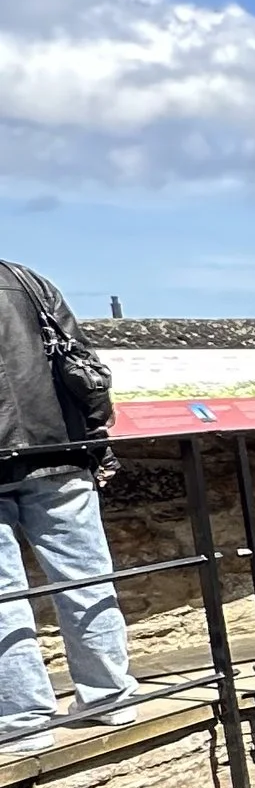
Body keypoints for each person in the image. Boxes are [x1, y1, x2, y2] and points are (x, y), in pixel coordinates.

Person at [0, 260, 141, 745]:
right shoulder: (23, 279)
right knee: (86, 578)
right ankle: (110, 696)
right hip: (58, 446)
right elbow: (81, 359)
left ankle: (23, 720)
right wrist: (95, 434)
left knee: (3, 595)